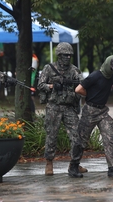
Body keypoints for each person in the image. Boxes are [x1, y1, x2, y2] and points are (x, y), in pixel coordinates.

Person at [68, 55, 113, 178]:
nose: (112, 71)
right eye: (111, 68)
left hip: (103, 111)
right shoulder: (95, 76)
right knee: (81, 140)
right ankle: (73, 166)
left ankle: (112, 167)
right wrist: (89, 95)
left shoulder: (112, 77)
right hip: (90, 111)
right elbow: (78, 89)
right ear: (106, 65)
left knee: (109, 138)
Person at [37, 42, 87, 176]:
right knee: (51, 136)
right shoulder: (49, 68)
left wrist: (76, 93)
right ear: (59, 55)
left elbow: (83, 85)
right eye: (65, 55)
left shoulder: (74, 70)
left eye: (70, 55)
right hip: (54, 107)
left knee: (77, 136)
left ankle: (75, 163)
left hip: (69, 108)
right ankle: (49, 163)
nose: (68, 58)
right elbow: (40, 85)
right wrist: (52, 86)